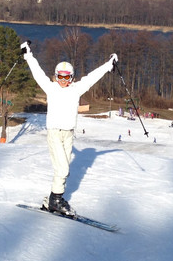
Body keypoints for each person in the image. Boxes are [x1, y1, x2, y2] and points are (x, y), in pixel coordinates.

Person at [20, 41, 117, 216]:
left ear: (71, 77)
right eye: (60, 77)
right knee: (63, 168)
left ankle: (50, 200)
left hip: (69, 134)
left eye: (67, 77)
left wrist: (109, 65)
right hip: (55, 133)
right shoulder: (51, 88)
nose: (63, 81)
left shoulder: (76, 89)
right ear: (56, 77)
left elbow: (93, 76)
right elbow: (37, 73)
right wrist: (28, 54)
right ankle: (56, 201)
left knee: (63, 169)